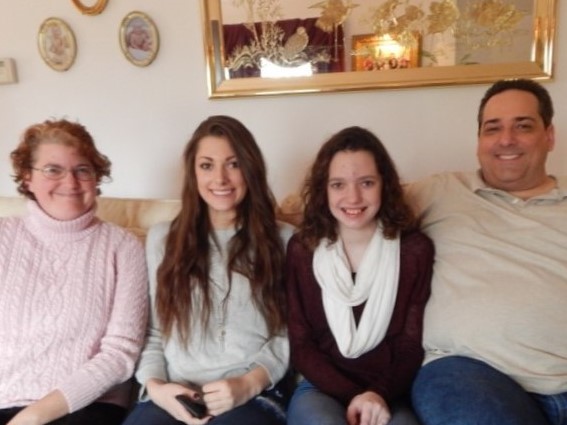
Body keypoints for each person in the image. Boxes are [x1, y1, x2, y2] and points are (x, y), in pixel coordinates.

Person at [408, 79, 567, 425]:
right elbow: (353, 202)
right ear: (479, 140)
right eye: (493, 128)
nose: (506, 140)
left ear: (549, 136)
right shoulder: (441, 191)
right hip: (467, 373)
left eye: (523, 126)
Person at [122, 115, 294, 425]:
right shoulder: (163, 239)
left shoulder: (285, 240)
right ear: (193, 173)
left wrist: (250, 383)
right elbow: (154, 332)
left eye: (233, 164)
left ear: (251, 168)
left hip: (253, 395)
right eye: (206, 165)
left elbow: (290, 332)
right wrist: (157, 389)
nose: (220, 179)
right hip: (175, 393)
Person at [0, 119, 148, 425]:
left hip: (85, 406)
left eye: (82, 170)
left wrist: (32, 417)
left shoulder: (123, 247)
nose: (70, 183)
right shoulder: (4, 237)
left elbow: (120, 353)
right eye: (52, 170)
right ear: (27, 177)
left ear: (96, 177)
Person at [286, 126, 434, 425]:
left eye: (366, 183)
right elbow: (301, 344)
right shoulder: (302, 249)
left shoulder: (414, 250)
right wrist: (356, 396)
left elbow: (410, 346)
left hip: (389, 390)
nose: (353, 197)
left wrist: (376, 395)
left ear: (384, 185)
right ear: (324, 190)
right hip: (320, 388)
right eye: (338, 184)